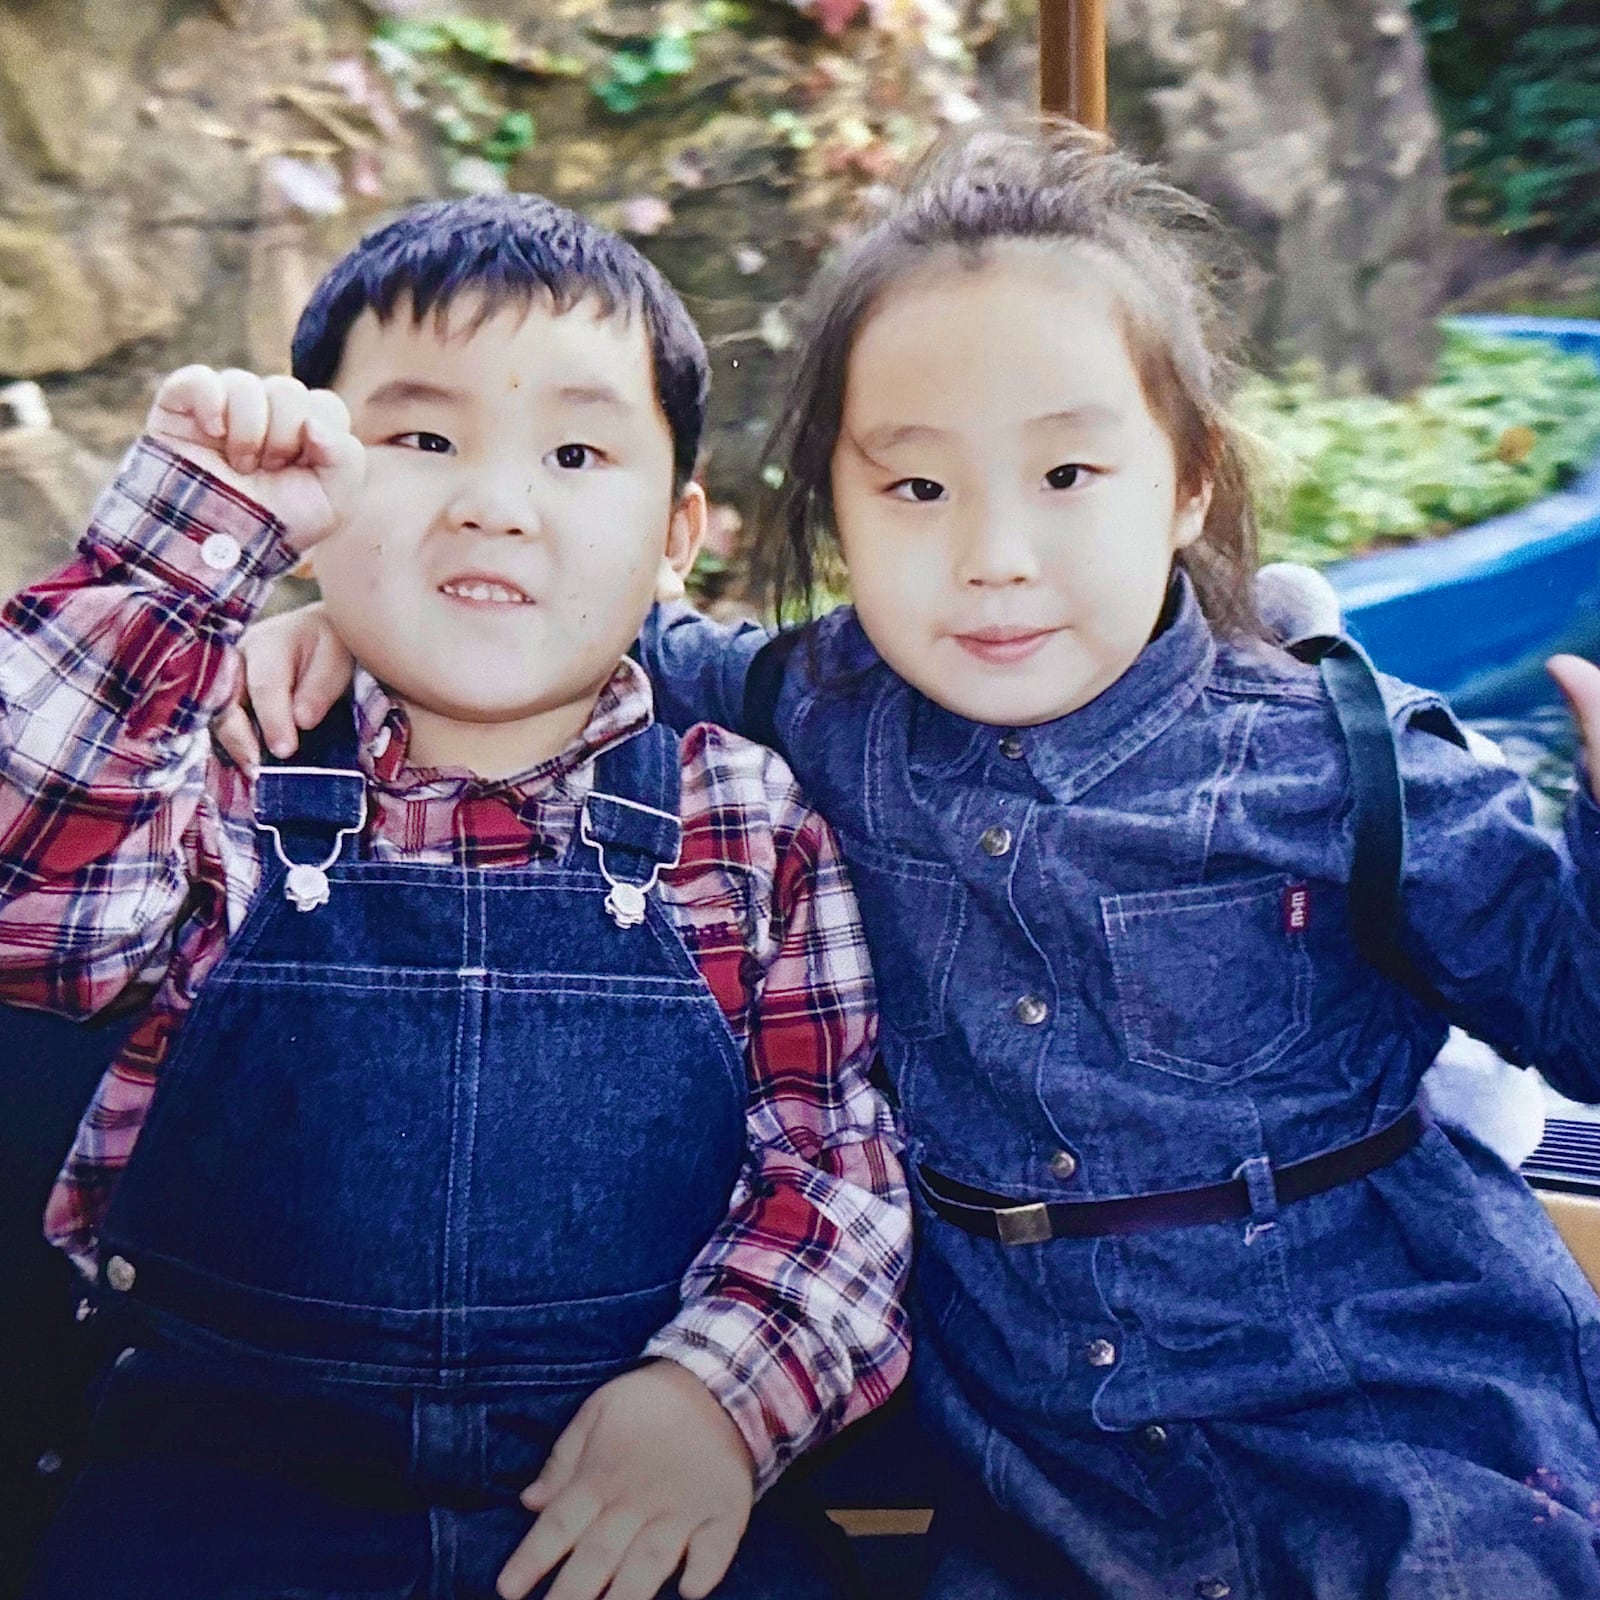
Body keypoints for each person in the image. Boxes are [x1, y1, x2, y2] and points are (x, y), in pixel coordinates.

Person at [221, 124, 1600, 1598]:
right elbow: (578, 614)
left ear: (1188, 483)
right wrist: (355, 632)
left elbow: (1574, 1024)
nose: (994, 553)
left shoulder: (1350, 757)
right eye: (916, 490)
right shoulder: (810, 708)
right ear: (834, 508)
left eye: (1069, 472)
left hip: (1396, 1424)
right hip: (1036, 1475)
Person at [0, 191, 912, 1600]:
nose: (495, 498)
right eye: (421, 440)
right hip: (216, 1496)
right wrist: (190, 547)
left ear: (680, 533)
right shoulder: (215, 768)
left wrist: (719, 1401)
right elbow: (32, 903)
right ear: (319, 494)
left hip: (626, 1502)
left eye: (575, 450)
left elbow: (836, 1171)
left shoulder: (747, 816)